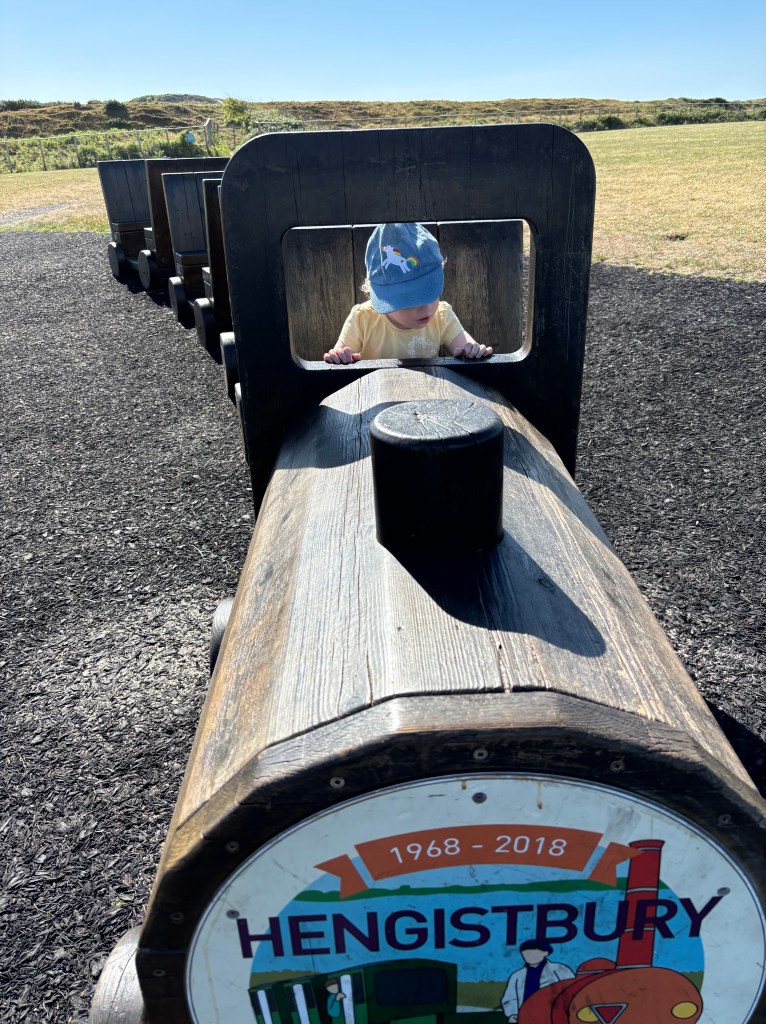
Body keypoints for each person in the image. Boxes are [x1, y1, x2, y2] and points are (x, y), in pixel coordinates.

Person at [323, 222, 493, 363]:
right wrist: (339, 356)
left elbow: (465, 345)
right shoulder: (363, 319)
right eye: (409, 300)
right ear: (385, 298)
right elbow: (339, 355)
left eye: (430, 293)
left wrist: (471, 350)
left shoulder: (442, 315)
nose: (425, 307)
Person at [501, 939, 574, 1022]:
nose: (529, 956)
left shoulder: (560, 970)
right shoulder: (517, 976)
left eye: (533, 953)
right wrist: (513, 1013)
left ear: (545, 953)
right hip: (527, 1017)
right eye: (525, 953)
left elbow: (571, 991)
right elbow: (510, 998)